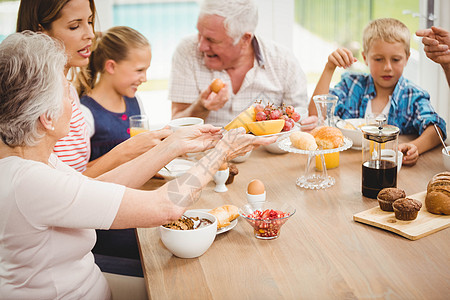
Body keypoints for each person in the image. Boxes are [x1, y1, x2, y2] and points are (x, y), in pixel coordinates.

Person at [0, 31, 275, 299]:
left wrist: (174, 144)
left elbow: (94, 188)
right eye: (65, 94)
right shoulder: (31, 182)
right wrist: (220, 154)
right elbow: (166, 207)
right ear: (46, 118)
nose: (73, 101)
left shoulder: (34, 159)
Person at [16, 0, 172, 178]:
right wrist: (126, 151)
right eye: (75, 26)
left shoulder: (70, 92)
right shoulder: (32, 103)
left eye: (89, 22)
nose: (90, 34)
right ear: (40, 31)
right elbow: (57, 189)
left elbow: (77, 174)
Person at [308, 18, 446, 166]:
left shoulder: (412, 95)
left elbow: (437, 129)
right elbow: (316, 114)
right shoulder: (352, 86)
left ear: (406, 59)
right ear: (365, 58)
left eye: (395, 59)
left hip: (391, 169)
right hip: (347, 166)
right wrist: (330, 67)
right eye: (379, 59)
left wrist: (416, 146)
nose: (387, 67)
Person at [168, 0, 314, 128]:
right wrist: (201, 107)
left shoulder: (283, 61)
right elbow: (176, 124)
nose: (201, 46)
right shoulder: (187, 51)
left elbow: (297, 122)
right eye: (199, 33)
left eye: (212, 40)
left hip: (266, 154)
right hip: (205, 155)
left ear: (245, 39)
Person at [78, 26, 151, 161]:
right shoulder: (84, 113)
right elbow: (76, 172)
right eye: (139, 70)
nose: (144, 79)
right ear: (111, 66)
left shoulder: (135, 102)